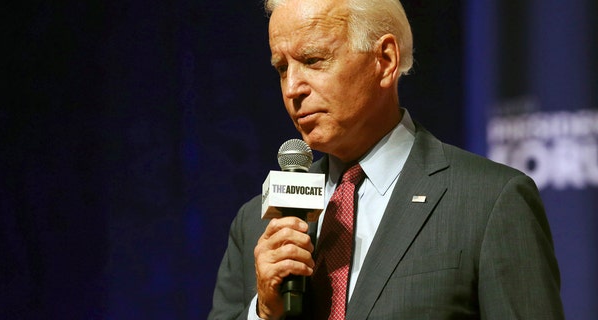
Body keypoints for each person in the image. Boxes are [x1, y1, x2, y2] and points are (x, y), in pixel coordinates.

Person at [208, 0, 564, 319]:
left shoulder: (489, 202)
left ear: (385, 60)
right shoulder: (258, 225)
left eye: (313, 60)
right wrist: (265, 312)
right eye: (282, 68)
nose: (292, 88)